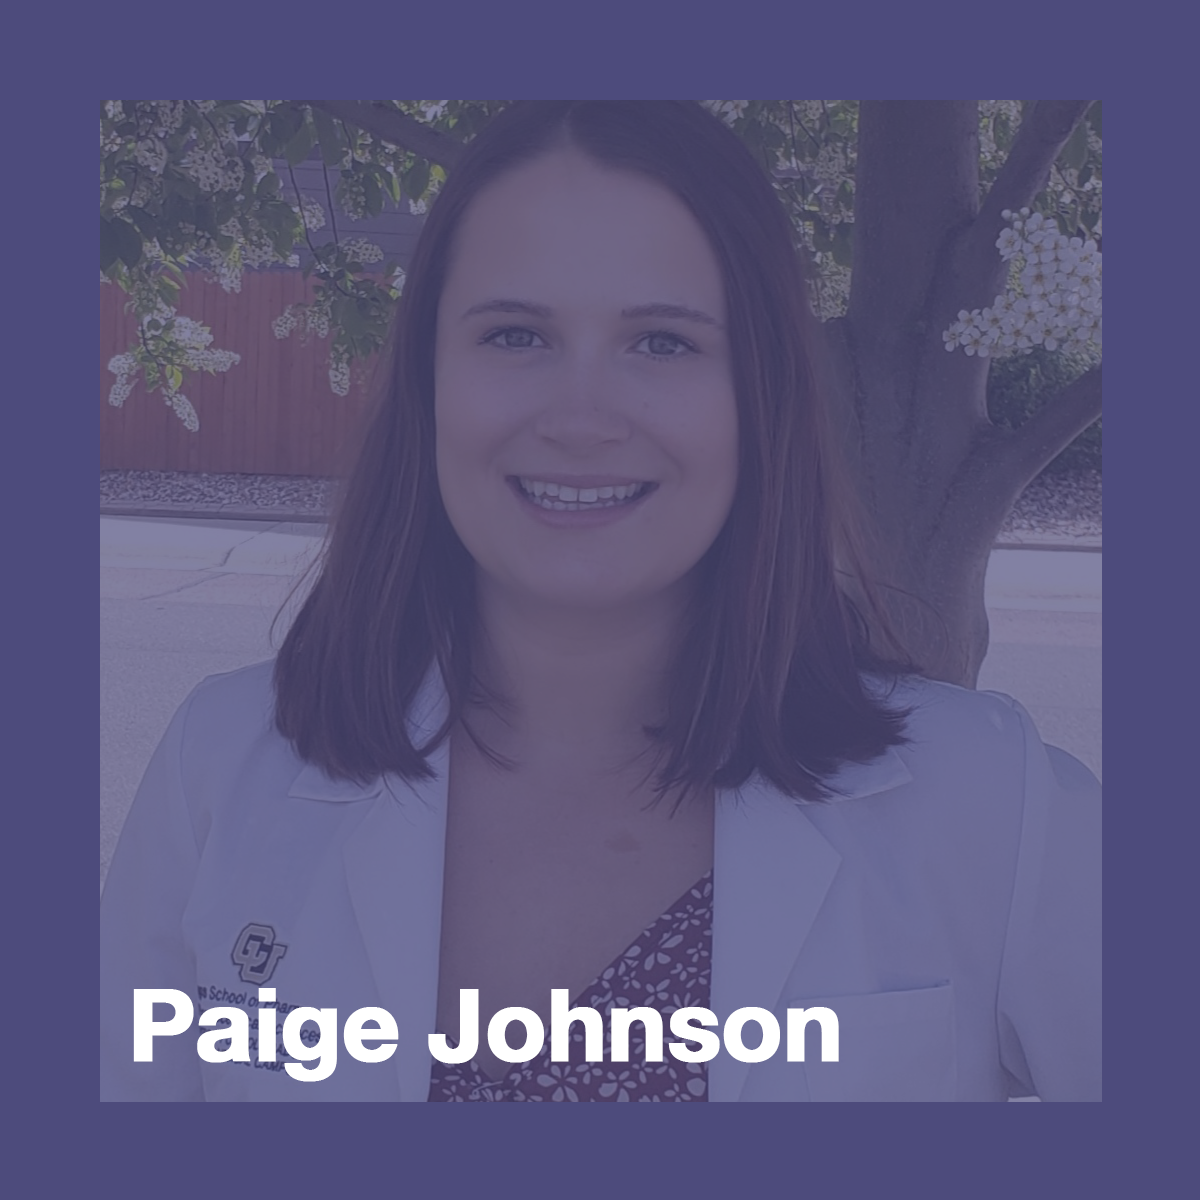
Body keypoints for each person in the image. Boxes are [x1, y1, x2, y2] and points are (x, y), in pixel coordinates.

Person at [100, 101, 1100, 1102]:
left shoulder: (990, 804)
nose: (581, 417)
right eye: (516, 335)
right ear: (428, 381)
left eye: (662, 344)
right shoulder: (219, 771)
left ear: (761, 397)